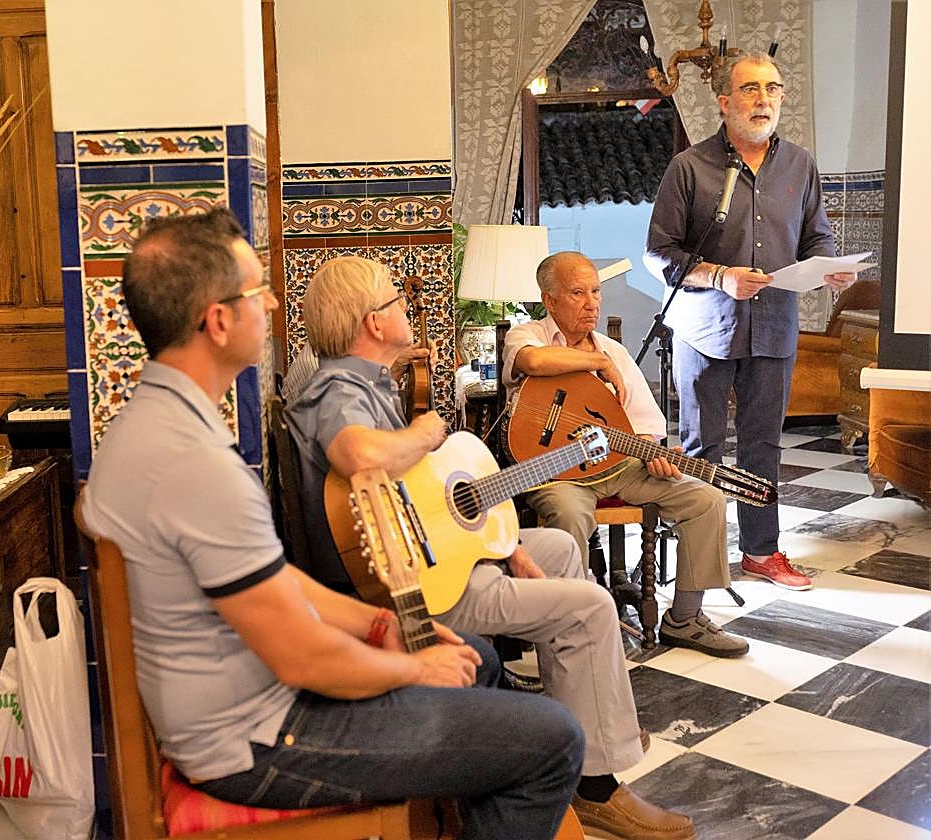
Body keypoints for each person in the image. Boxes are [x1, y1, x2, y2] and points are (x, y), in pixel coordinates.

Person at [81, 209, 586, 840]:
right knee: (555, 740)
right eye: (256, 291)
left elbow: (275, 581)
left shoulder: (159, 423)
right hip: (260, 739)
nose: (272, 303)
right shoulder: (194, 463)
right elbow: (302, 657)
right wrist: (412, 669)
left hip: (241, 709)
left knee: (476, 657)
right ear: (217, 321)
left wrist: (381, 626)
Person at [289, 255, 696, 840]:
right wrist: (426, 431)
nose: (407, 307)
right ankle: (596, 786)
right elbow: (358, 455)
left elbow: (417, 495)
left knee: (556, 548)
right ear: (374, 323)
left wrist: (500, 544)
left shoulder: (363, 383)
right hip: (410, 584)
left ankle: (584, 731)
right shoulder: (338, 389)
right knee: (591, 607)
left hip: (421, 550)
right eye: (397, 301)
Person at [645, 52, 857, 591]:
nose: (764, 99)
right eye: (750, 89)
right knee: (703, 448)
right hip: (704, 329)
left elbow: (816, 236)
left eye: (773, 88)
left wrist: (829, 268)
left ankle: (761, 552)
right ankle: (700, 559)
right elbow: (659, 253)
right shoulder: (689, 167)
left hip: (774, 327)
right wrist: (720, 277)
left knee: (763, 445)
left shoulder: (800, 165)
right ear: (724, 102)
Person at [504, 250, 749, 664]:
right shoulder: (527, 335)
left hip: (620, 465)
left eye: (596, 292)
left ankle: (685, 618)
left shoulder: (614, 351)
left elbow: (643, 425)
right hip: (556, 471)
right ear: (549, 300)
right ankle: (572, 623)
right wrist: (597, 361)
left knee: (706, 498)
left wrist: (653, 452)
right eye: (578, 293)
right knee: (569, 515)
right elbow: (533, 361)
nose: (592, 303)